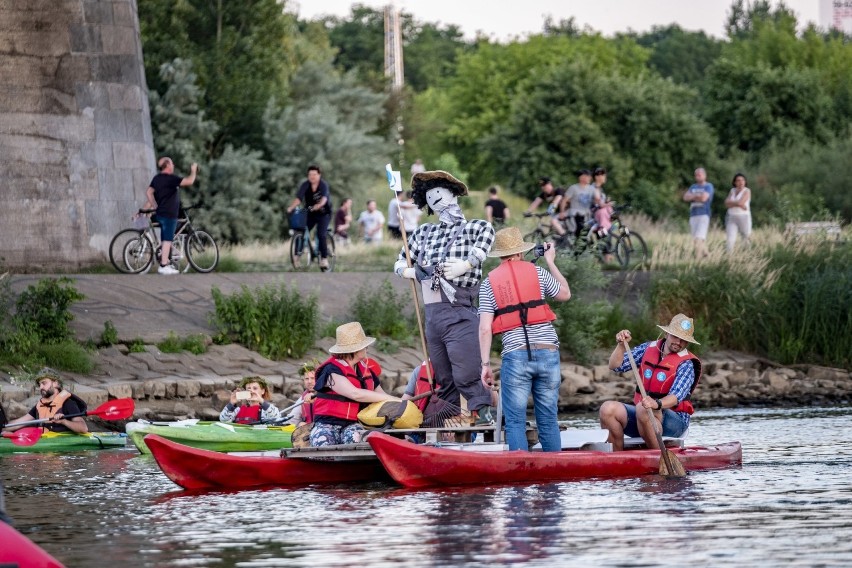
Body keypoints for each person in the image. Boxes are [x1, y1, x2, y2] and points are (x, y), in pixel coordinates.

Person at [393, 170, 496, 424]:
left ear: (452, 194)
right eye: (428, 196)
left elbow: (485, 244)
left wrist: (466, 264)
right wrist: (407, 270)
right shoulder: (422, 234)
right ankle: (447, 422)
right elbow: (399, 261)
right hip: (432, 317)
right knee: (443, 376)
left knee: (466, 374)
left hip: (460, 313)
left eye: (438, 193)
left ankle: (484, 415)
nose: (434, 199)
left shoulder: (475, 227)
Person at [478, 228, 571, 452]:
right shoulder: (538, 272)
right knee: (548, 420)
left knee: (515, 422)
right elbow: (565, 293)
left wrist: (485, 366)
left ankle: (519, 482)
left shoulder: (488, 283)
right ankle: (554, 481)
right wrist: (551, 261)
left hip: (516, 354)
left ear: (500, 254)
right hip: (548, 352)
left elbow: (484, 329)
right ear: (520, 251)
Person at [599, 314, 702, 451]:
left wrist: (656, 404)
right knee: (607, 409)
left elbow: (676, 397)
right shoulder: (647, 348)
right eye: (675, 336)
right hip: (644, 415)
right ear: (667, 333)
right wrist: (621, 345)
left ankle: (657, 457)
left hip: (674, 422)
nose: (678, 342)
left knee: (644, 408)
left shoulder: (686, 364)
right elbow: (615, 366)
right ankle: (616, 458)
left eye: (683, 340)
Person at [309, 322, 398, 446]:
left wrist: (398, 403)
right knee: (324, 443)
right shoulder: (331, 370)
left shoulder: (367, 371)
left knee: (358, 439)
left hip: (353, 424)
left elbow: (381, 396)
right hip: (327, 423)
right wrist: (392, 398)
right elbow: (355, 393)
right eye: (364, 346)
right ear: (355, 350)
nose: (367, 348)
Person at [142, 157, 198, 275]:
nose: (173, 165)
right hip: (169, 214)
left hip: (160, 214)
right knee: (168, 240)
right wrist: (193, 170)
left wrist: (154, 205)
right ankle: (163, 266)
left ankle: (166, 260)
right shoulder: (171, 179)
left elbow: (149, 192)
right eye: (172, 163)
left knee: (165, 239)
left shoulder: (157, 178)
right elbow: (190, 181)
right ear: (167, 165)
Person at [5, 368, 88, 433]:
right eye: (40, 384)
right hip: (44, 445)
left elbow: (83, 428)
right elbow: (19, 423)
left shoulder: (68, 403)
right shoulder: (41, 405)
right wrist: (2, 427)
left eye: (44, 383)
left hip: (62, 452)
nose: (41, 387)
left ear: (55, 383)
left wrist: (64, 421)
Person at [287, 165, 333, 270]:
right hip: (310, 212)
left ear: (319, 175)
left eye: (314, 174)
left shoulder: (323, 185)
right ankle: (297, 257)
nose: (312, 176)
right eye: (310, 174)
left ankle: (324, 259)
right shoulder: (305, 185)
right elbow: (299, 198)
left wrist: (319, 205)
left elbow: (324, 199)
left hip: (324, 213)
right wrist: (291, 207)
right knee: (301, 231)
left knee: (321, 234)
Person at [683, 167, 714, 258]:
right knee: (695, 239)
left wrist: (692, 196)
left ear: (704, 175)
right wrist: (698, 196)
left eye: (699, 175)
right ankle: (708, 256)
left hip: (704, 214)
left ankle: (698, 258)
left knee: (699, 238)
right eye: (696, 175)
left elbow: (704, 198)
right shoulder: (693, 186)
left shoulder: (708, 186)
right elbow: (685, 197)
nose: (697, 177)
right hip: (693, 215)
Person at [561, 169, 595, 237]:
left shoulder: (591, 189)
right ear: (581, 177)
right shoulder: (573, 188)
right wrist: (562, 212)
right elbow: (564, 201)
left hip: (587, 214)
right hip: (575, 214)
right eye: (587, 176)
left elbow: (597, 199)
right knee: (576, 231)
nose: (590, 178)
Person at [724, 173, 752, 253]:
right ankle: (729, 257)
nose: (741, 182)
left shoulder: (747, 191)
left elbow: (741, 202)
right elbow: (726, 203)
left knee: (746, 237)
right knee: (730, 238)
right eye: (738, 180)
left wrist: (732, 203)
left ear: (745, 181)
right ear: (735, 182)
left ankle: (747, 256)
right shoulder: (732, 191)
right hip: (731, 217)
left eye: (742, 180)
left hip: (743, 217)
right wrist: (739, 204)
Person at [285, 361, 318, 426]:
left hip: (323, 429)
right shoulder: (303, 399)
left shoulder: (326, 395)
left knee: (302, 424)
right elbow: (293, 419)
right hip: (309, 429)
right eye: (306, 379)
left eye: (313, 378)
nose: (309, 381)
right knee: (301, 424)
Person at [591, 167, 614, 236]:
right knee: (603, 211)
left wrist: (606, 202)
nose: (605, 177)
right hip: (595, 214)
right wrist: (608, 204)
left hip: (600, 214)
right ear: (597, 177)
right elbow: (599, 204)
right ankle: (602, 231)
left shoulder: (600, 189)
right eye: (603, 175)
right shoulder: (594, 188)